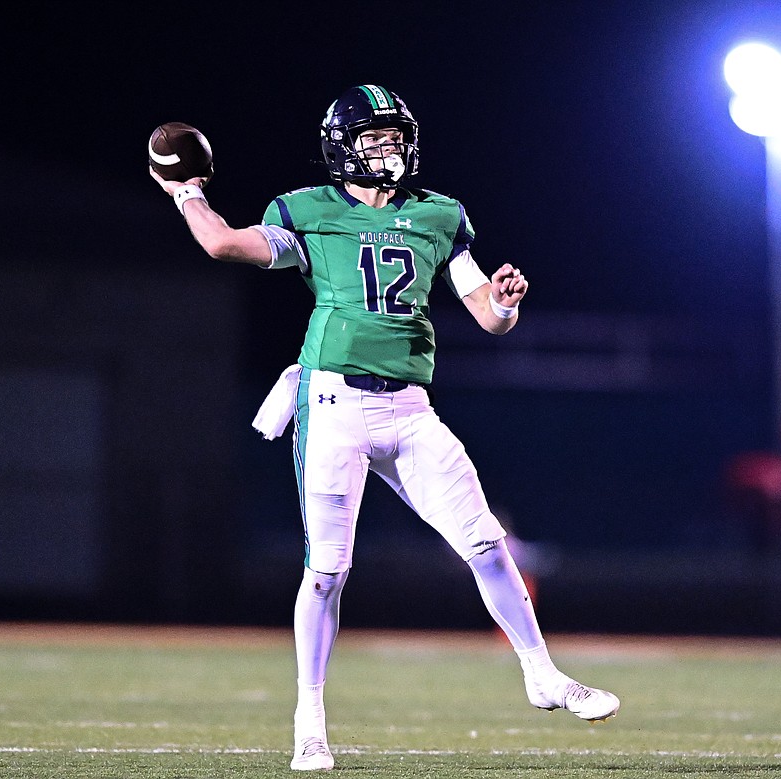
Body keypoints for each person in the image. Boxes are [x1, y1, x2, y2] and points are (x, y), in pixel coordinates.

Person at [150, 84, 620, 771]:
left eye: (396, 136)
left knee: (488, 543)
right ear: (343, 145)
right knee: (326, 572)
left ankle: (542, 674)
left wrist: (507, 303)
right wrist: (186, 191)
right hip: (334, 403)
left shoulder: (438, 214)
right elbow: (224, 245)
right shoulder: (309, 209)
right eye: (375, 137)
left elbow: (487, 313)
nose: (390, 148)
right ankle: (308, 720)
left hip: (410, 407)